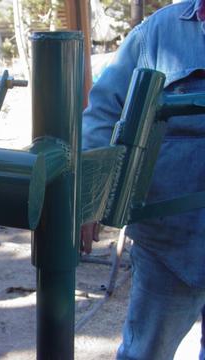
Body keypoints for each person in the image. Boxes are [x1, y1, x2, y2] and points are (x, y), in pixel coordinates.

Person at [81, 0, 205, 358]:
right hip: (169, 246)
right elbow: (103, 112)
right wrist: (90, 197)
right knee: (145, 353)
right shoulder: (156, 33)